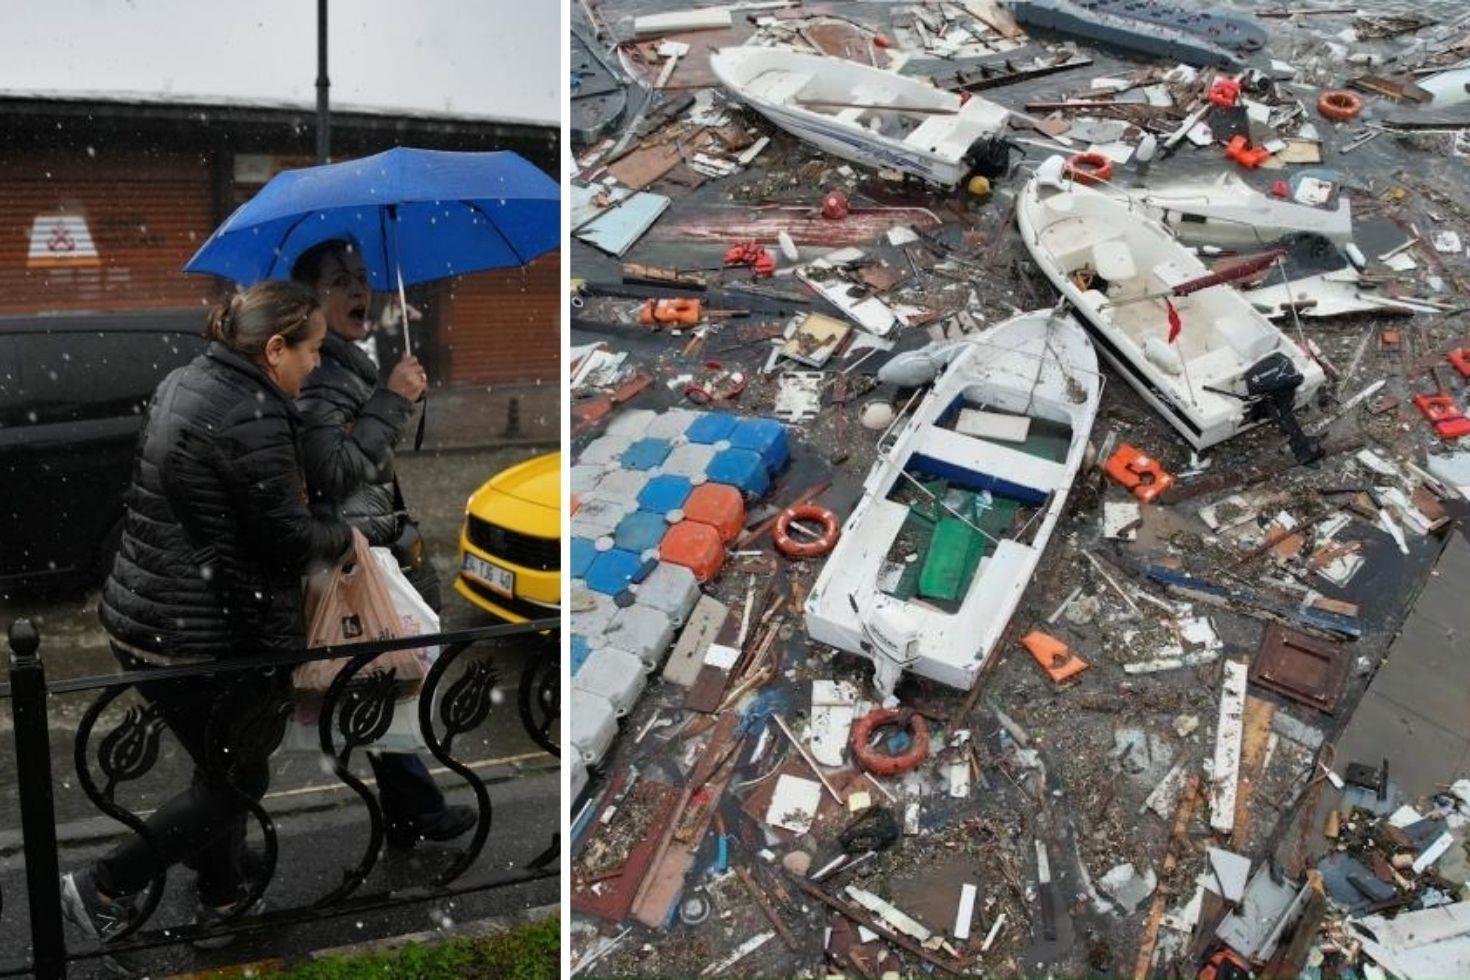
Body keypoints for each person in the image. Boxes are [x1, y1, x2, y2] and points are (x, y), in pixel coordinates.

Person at [62, 282, 353, 946]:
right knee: (240, 777)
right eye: (312, 351)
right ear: (275, 347)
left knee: (217, 761)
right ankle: (103, 884)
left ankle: (220, 892)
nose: (316, 366)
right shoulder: (252, 410)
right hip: (204, 637)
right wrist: (342, 531)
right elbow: (286, 541)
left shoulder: (188, 381)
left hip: (145, 621)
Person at [291, 239, 474, 848]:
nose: (360, 292)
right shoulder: (321, 376)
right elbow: (335, 472)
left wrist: (395, 396)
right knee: (379, 677)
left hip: (367, 547)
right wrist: (393, 397)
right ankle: (219, 851)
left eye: (363, 279)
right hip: (355, 554)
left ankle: (412, 809)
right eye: (341, 281)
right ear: (309, 299)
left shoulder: (345, 360)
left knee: (377, 680)